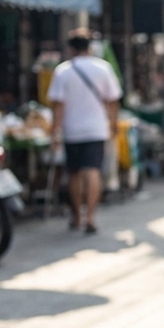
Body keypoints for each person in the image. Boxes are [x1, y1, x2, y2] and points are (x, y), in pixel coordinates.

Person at [49, 29, 122, 234]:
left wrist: (55, 132)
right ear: (90, 48)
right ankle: (90, 216)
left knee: (74, 174)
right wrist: (113, 124)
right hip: (97, 128)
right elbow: (113, 100)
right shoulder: (103, 68)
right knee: (93, 171)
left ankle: (77, 216)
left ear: (71, 49)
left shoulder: (63, 71)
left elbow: (58, 106)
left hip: (72, 130)